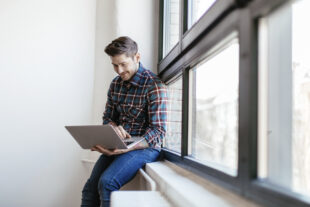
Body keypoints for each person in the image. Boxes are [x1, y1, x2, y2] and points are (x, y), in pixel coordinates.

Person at [81, 36, 167, 207]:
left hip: (146, 147)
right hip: (119, 145)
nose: (119, 70)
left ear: (137, 57)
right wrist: (111, 131)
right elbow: (108, 118)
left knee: (107, 183)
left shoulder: (154, 86)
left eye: (123, 64)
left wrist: (127, 147)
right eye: (114, 65)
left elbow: (158, 132)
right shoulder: (115, 85)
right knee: (90, 189)